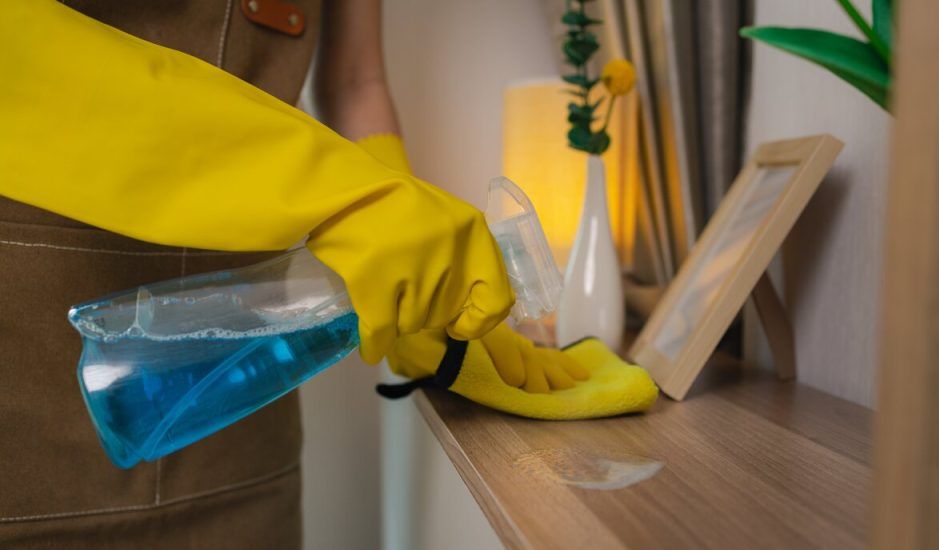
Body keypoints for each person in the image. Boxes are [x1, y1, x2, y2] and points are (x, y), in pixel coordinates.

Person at [0, 0, 589, 547]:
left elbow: (356, 81)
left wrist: (406, 251)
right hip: (33, 374)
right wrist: (341, 194)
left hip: (247, 404)